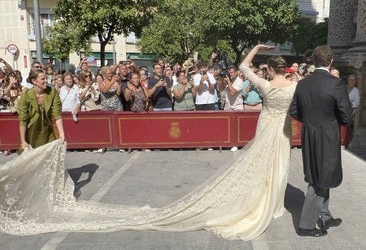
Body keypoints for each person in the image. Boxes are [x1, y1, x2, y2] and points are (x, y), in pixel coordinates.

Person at [0, 44, 296, 241]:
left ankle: (264, 200)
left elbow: (244, 67)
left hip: (266, 126)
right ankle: (273, 204)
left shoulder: (264, 84)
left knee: (260, 163)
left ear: (269, 69)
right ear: (288, 70)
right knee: (278, 164)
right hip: (280, 129)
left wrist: (255, 49)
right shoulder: (294, 85)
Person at [290, 45, 353, 237]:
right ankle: (306, 226)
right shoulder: (336, 84)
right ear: (331, 61)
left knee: (320, 174)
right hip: (327, 135)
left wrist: (311, 122)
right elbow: (347, 117)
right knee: (319, 179)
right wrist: (329, 123)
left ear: (314, 62)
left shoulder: (303, 84)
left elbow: (294, 111)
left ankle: (324, 216)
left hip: (309, 135)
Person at [17, 69, 65, 153]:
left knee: (50, 155)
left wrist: (61, 133)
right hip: (31, 131)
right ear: (34, 81)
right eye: (43, 79)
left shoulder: (52, 92)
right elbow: (23, 119)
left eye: (46, 78)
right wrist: (23, 140)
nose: (46, 81)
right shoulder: (26, 95)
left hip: (48, 130)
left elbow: (57, 115)